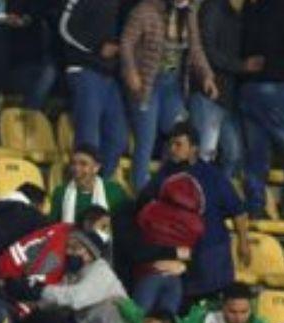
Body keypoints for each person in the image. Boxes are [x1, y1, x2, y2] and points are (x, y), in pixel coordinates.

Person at [143, 122, 251, 302]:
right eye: (171, 144)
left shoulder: (213, 176)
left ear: (193, 148)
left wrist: (243, 243)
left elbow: (238, 211)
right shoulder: (163, 176)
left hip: (212, 256)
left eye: (178, 144)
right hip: (180, 258)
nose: (172, 149)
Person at [120, 0, 216, 191]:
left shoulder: (188, 14)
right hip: (148, 84)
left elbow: (196, 49)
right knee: (145, 139)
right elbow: (126, 42)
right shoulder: (145, 10)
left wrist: (206, 76)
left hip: (171, 86)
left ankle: (169, 186)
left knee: (181, 134)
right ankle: (140, 192)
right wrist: (131, 71)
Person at [36, 228, 137, 323]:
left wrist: (39, 290)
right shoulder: (72, 276)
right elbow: (55, 301)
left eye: (75, 248)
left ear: (91, 252)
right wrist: (32, 301)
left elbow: (75, 298)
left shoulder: (101, 271)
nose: (68, 252)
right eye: (67, 248)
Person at [238, 0, 284, 219]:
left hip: (247, 89)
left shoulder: (251, 8)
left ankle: (255, 206)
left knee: (257, 154)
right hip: (277, 87)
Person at [57, 0, 128, 176]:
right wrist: (96, 47)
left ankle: (99, 188)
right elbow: (65, 27)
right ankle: (81, 193)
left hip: (109, 75)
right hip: (83, 70)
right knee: (88, 139)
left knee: (118, 138)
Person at [190, 0, 250, 179]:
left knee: (233, 154)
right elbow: (208, 49)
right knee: (204, 155)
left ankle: (214, 197)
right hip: (209, 93)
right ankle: (194, 198)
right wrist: (241, 66)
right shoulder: (213, 7)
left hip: (228, 98)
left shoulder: (243, 14)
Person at [50, 144, 130, 224]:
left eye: (83, 164)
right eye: (73, 163)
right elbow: (52, 226)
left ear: (96, 167)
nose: (76, 169)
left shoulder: (113, 191)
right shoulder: (60, 192)